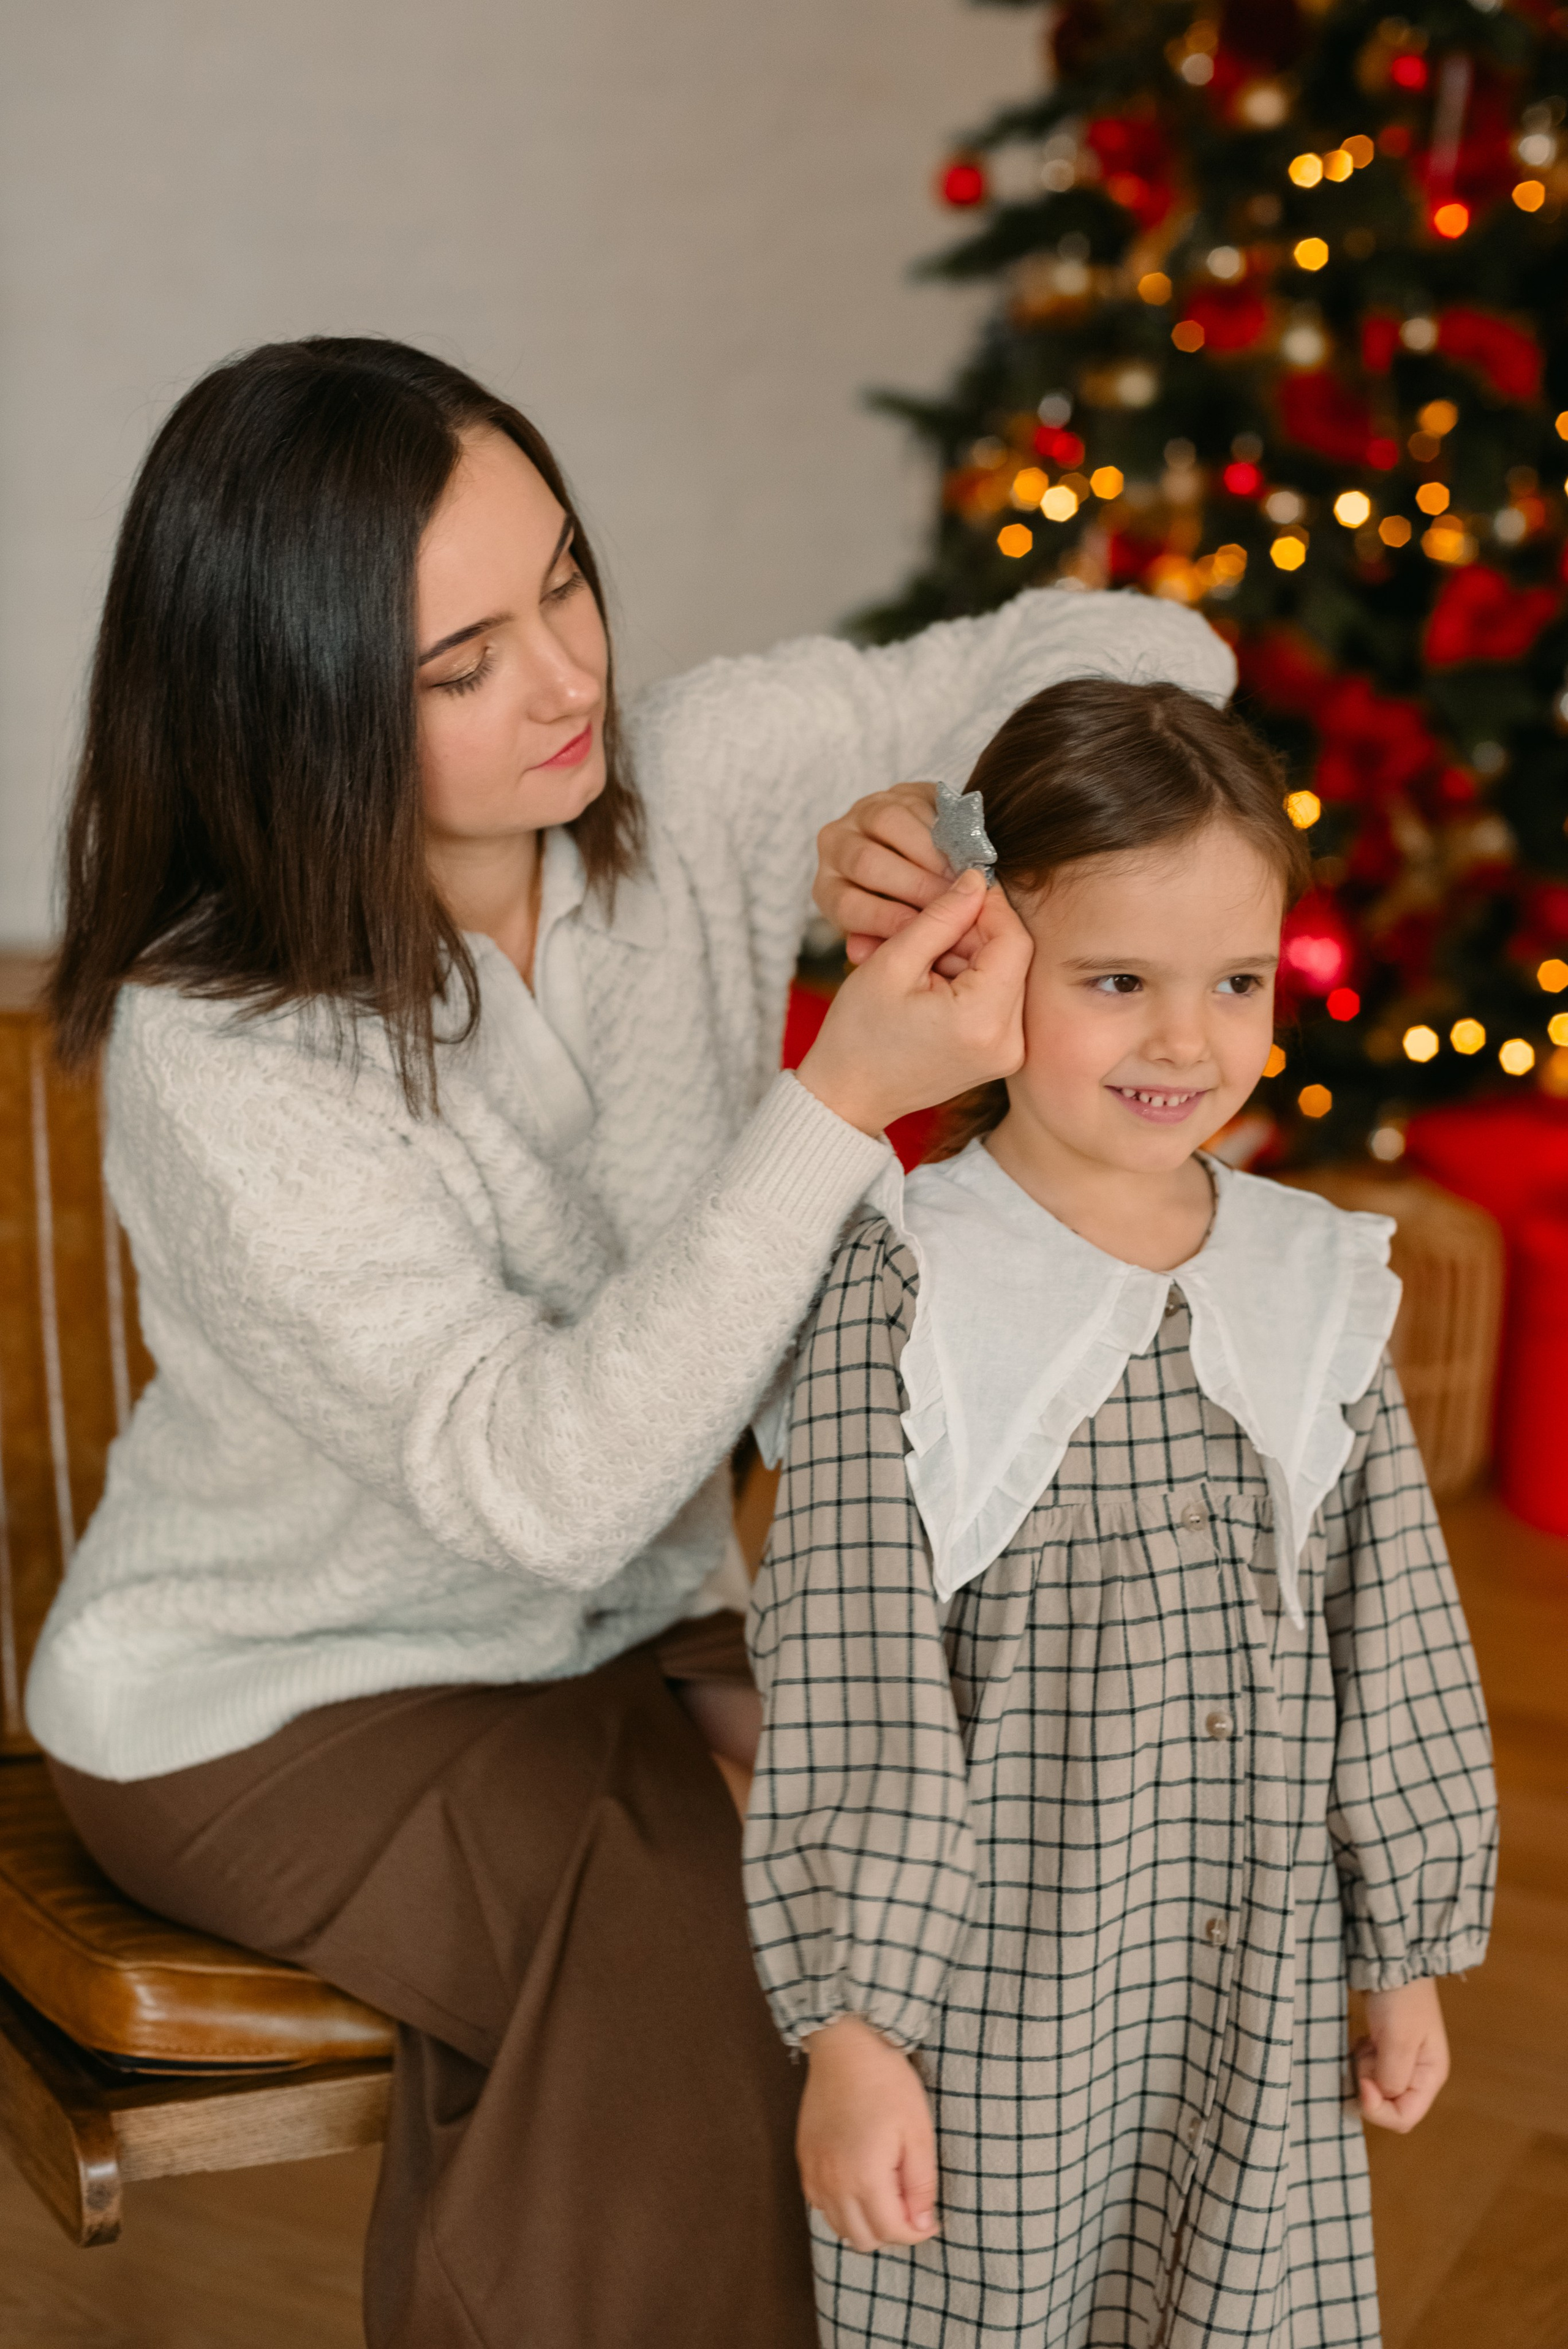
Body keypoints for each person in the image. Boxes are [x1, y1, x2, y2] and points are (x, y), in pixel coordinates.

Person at [26, 337, 1236, 2348]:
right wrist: (839, 1095)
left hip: (627, 1634)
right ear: (297, 702)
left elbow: (1152, 643)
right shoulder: (219, 1050)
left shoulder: (700, 782)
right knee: (709, 1948)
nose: (566, 677)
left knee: (1024, 1832)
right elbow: (549, 1490)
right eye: (462, 662)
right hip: (275, 1698)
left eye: (564, 583)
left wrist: (945, 807)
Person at [744, 677, 1498, 2349]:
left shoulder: (1310, 1278)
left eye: (1235, 980)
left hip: (1255, 2004)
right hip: (1002, 2007)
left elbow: (1397, 1631)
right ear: (988, 959)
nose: (1186, 1039)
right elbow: (854, 1681)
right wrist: (857, 2026)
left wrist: (1404, 1943)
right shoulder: (908, 1281)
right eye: (1118, 982)